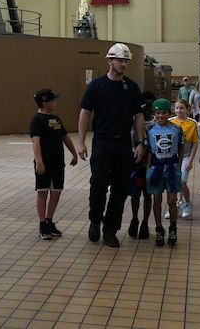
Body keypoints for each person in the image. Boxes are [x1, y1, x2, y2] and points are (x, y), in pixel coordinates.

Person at [78, 42, 146, 248]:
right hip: (102, 141)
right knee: (98, 183)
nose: (124, 64)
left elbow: (139, 116)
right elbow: (85, 113)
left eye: (126, 61)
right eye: (120, 60)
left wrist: (140, 143)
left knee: (121, 187)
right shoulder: (96, 86)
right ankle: (95, 221)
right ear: (110, 61)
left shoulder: (132, 87)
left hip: (124, 142)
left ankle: (110, 229)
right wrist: (80, 142)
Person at [31, 88, 79, 240]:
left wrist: (74, 153)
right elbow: (35, 142)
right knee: (43, 192)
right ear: (45, 103)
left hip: (58, 163)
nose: (55, 102)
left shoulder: (56, 119)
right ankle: (42, 224)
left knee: (56, 192)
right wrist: (39, 161)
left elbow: (65, 137)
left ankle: (50, 220)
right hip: (44, 163)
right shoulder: (36, 120)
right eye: (52, 100)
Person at [146, 98, 184, 247]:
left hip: (172, 167)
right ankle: (158, 228)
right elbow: (149, 150)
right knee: (156, 199)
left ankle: (173, 227)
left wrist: (179, 165)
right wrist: (149, 168)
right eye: (158, 113)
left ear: (170, 113)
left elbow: (181, 148)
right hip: (156, 168)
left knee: (171, 200)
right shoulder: (150, 130)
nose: (160, 116)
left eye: (163, 113)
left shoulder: (176, 129)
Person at [128, 91, 156, 240]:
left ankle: (145, 222)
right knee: (135, 193)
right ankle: (134, 219)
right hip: (135, 164)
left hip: (150, 166)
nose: (146, 109)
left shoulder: (155, 124)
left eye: (150, 106)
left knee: (148, 194)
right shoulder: (133, 123)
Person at [169, 99, 198, 219]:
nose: (179, 110)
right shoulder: (170, 122)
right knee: (173, 182)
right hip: (172, 157)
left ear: (187, 109)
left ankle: (187, 203)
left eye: (181, 108)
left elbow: (195, 143)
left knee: (182, 181)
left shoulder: (192, 123)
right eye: (177, 108)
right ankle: (174, 206)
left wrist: (191, 160)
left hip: (185, 156)